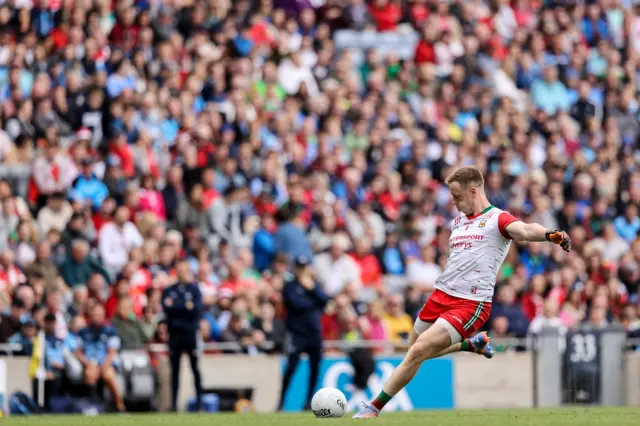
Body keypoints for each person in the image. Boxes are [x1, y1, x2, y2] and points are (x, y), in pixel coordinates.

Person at [353, 166, 572, 418]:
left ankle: (373, 408)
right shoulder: (457, 222)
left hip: (470, 303)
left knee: (417, 352)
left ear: (473, 191)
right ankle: (470, 345)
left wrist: (549, 235)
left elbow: (523, 230)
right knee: (413, 350)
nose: (454, 203)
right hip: (440, 295)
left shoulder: (497, 219)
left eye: (457, 197)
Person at [278, 255, 329, 411]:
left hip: (314, 333)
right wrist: (313, 302)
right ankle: (280, 403)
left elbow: (325, 300)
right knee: (291, 369)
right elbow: (296, 303)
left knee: (315, 369)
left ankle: (308, 403)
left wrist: (311, 289)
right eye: (299, 267)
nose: (302, 270)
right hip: (297, 333)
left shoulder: (314, 285)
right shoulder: (290, 285)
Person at [162, 259, 203, 412]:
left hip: (190, 334)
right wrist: (185, 307)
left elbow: (196, 309)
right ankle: (173, 404)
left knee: (195, 368)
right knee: (175, 370)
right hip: (175, 335)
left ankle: (199, 402)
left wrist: (177, 307)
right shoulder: (169, 290)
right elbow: (168, 309)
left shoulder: (194, 290)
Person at [75, 304, 125, 412]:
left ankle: (119, 404)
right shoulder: (82, 332)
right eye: (94, 315)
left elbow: (112, 352)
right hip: (90, 363)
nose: (96, 317)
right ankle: (94, 404)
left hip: (106, 362)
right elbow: (78, 352)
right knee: (90, 373)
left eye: (98, 315)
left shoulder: (111, 331)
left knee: (108, 375)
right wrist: (88, 364)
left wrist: (102, 367)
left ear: (103, 316)